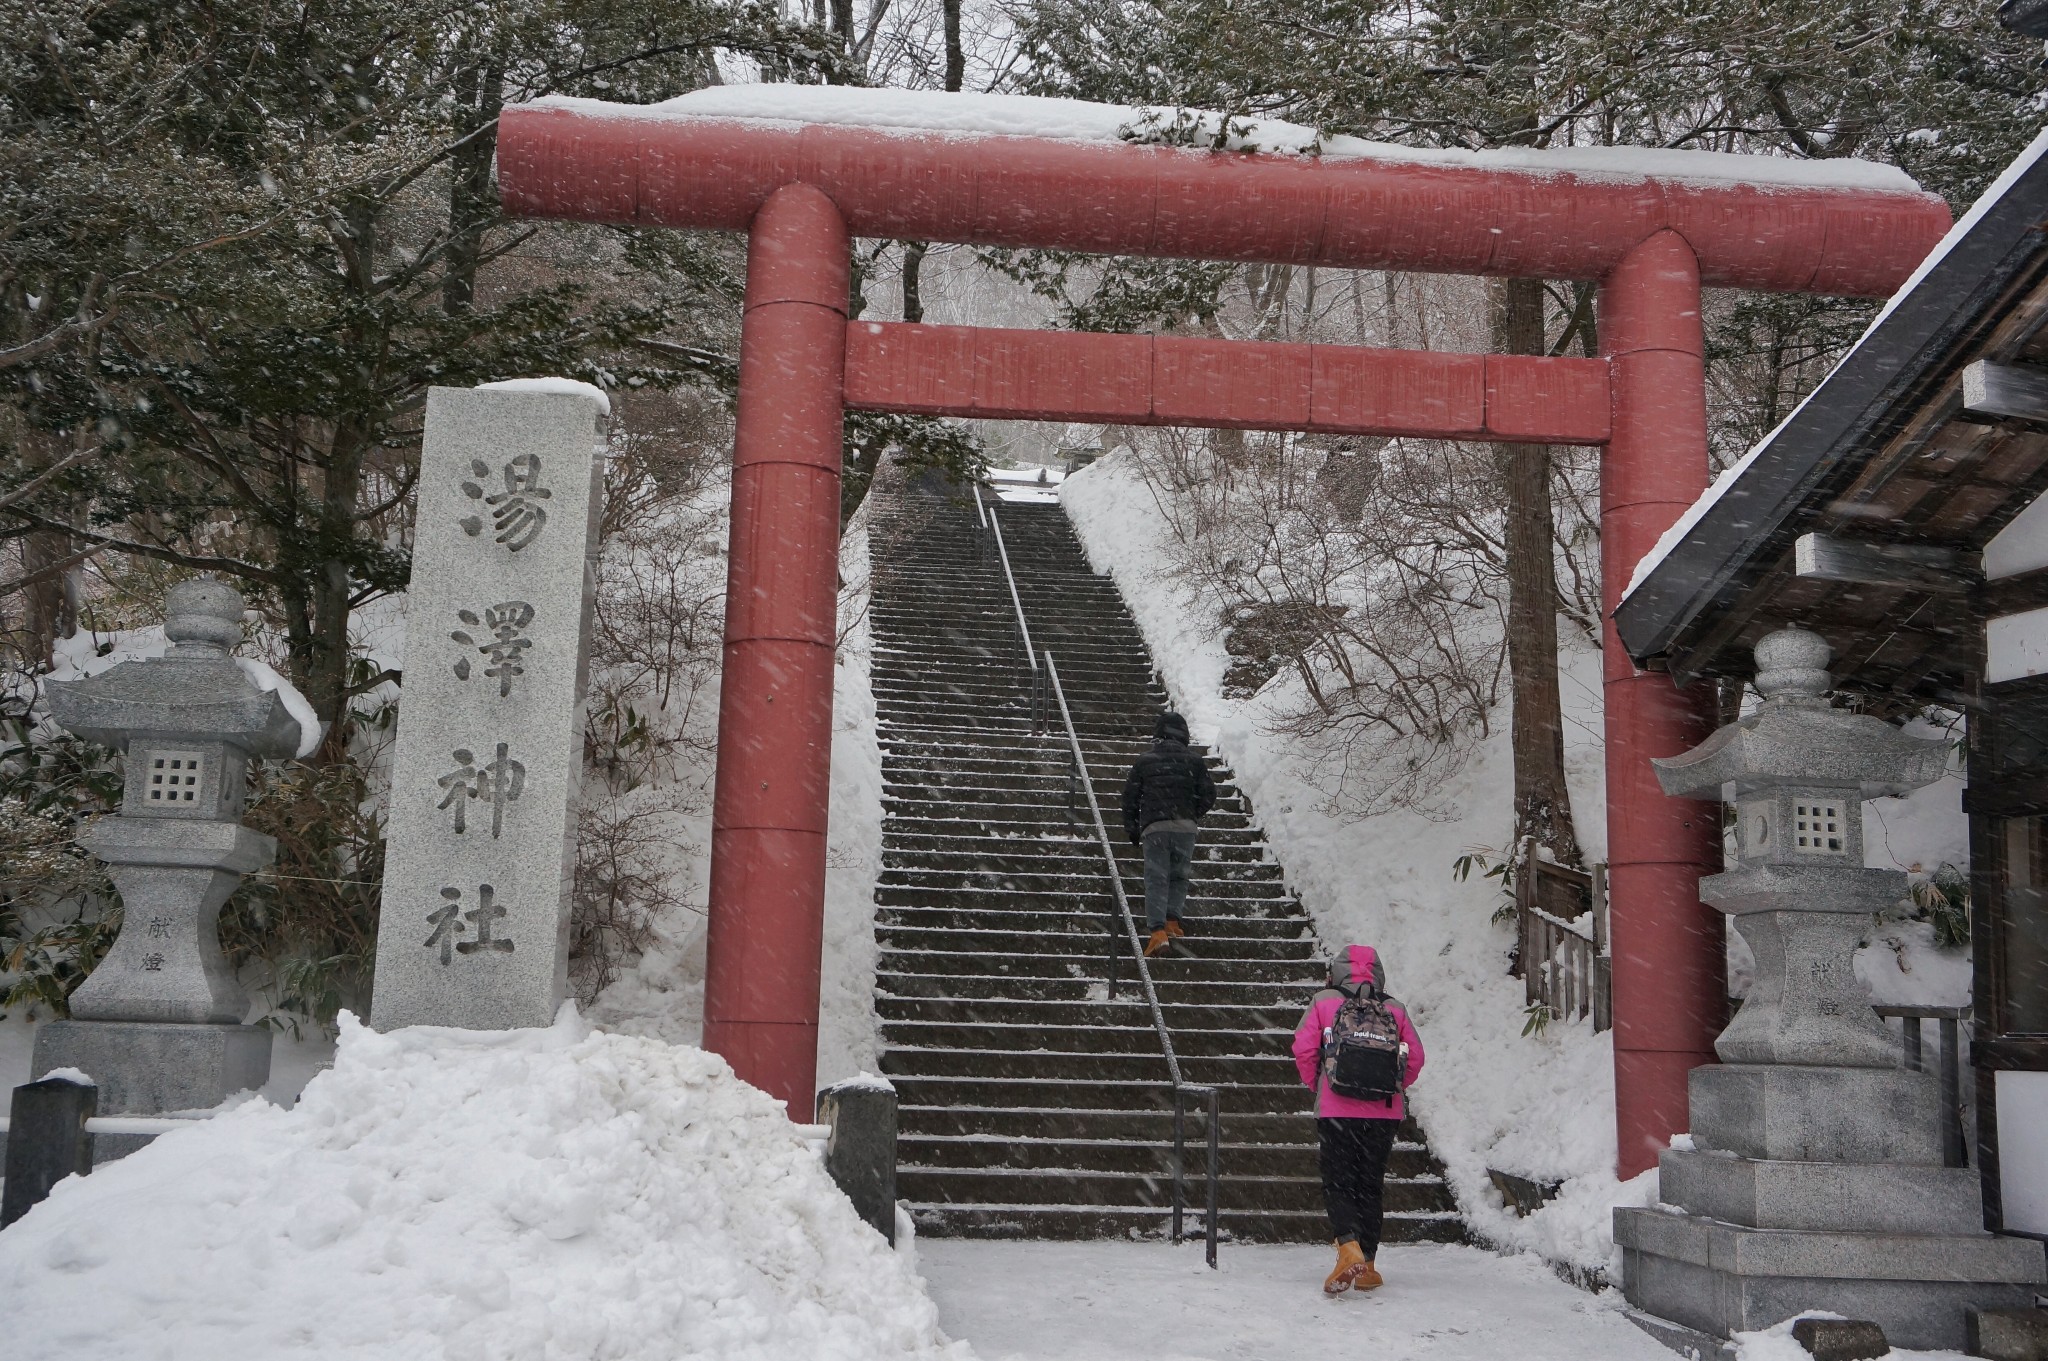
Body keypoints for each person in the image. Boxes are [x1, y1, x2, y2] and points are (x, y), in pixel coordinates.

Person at [1291, 944, 1426, 1295]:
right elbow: (1415, 1058)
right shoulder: (1393, 1008)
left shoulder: (1324, 1001)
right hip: (1383, 1113)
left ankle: (1347, 1245)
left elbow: (1304, 1049)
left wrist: (1320, 1086)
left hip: (1337, 1110)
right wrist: (1390, 1088)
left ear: (1336, 972)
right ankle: (1367, 1265)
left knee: (1338, 1181)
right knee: (1370, 1184)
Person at [1118, 711, 1215, 958]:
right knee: (1179, 876)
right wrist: (1191, 813)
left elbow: (1130, 798)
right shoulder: (1194, 761)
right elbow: (1209, 796)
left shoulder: (1145, 761)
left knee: (1156, 877)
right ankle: (1173, 921)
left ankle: (1158, 932)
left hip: (1155, 827)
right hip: (1185, 827)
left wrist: (1133, 828)